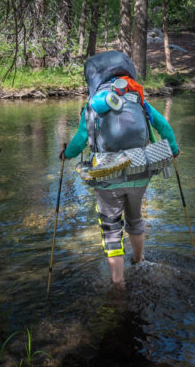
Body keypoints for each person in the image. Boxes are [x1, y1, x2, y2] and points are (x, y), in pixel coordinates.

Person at [60, 51, 179, 288]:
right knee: (135, 219)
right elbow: (164, 127)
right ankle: (139, 261)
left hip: (107, 176)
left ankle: (118, 283)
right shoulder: (138, 99)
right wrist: (174, 149)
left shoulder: (92, 107)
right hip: (140, 172)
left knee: (111, 228)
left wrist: (66, 154)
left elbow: (80, 140)